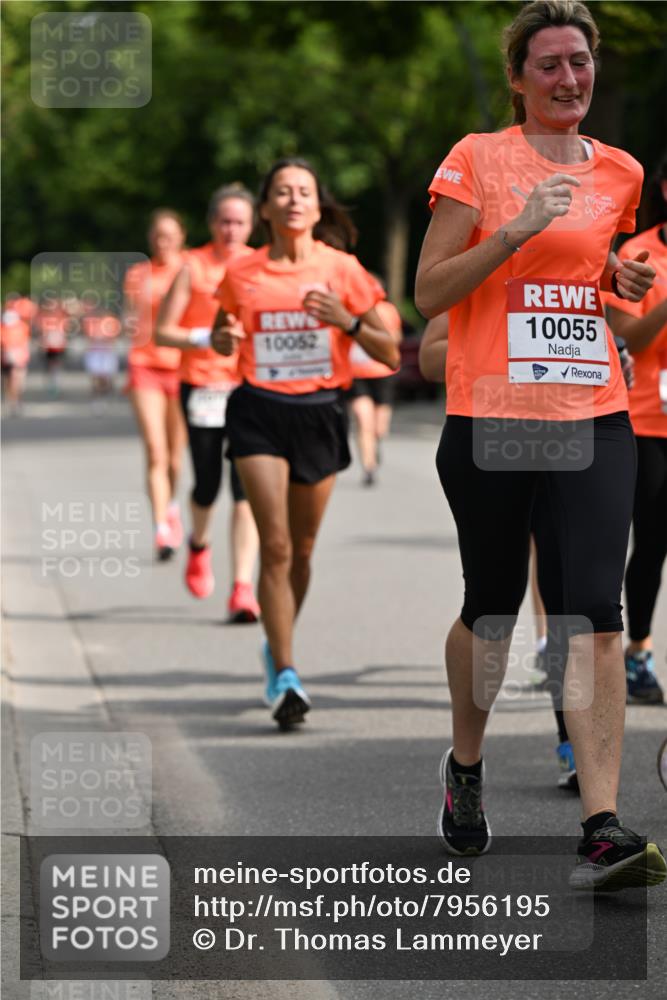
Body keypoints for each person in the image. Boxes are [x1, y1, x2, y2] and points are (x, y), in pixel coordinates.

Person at [415, 0, 665, 890]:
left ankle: (601, 824)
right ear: (518, 78)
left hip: (595, 414)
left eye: (580, 61)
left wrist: (618, 276)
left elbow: (596, 273)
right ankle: (466, 767)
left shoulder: (622, 172)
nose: (569, 79)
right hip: (492, 418)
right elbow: (428, 290)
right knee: (490, 605)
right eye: (549, 64)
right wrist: (513, 230)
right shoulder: (477, 159)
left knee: (597, 612)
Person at [211, 158, 400, 728]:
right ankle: (287, 672)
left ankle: (277, 636)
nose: (294, 200)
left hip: (319, 413)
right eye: (282, 192)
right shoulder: (242, 273)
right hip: (258, 413)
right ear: (265, 208)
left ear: (318, 209)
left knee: (303, 547)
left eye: (305, 192)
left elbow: (389, 352)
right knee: (274, 546)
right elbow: (226, 336)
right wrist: (222, 337)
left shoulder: (342, 269)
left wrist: (346, 320)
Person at [156, 185, 260, 622]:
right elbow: (163, 331)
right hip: (201, 385)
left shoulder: (261, 265)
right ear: (212, 223)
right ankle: (198, 544)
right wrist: (206, 338)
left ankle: (241, 588)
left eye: (239, 222)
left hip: (249, 387)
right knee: (207, 485)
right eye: (224, 221)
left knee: (246, 488)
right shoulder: (192, 267)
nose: (231, 229)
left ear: (252, 224)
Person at [607, 157, 667, 705]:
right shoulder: (637, 252)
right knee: (652, 541)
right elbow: (631, 337)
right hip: (650, 419)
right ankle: (640, 652)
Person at [123, 210, 188, 561]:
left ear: (181, 236)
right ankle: (161, 527)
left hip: (182, 368)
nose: (162, 241)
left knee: (176, 459)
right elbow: (133, 318)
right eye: (157, 235)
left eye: (169, 234)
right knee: (155, 450)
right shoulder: (138, 274)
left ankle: (172, 504)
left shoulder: (191, 269)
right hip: (144, 365)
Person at [346, 283, 402, 486]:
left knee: (379, 427)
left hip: (383, 372)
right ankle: (368, 467)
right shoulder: (349, 311)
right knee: (363, 418)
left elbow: (396, 338)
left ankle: (375, 443)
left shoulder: (388, 311)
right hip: (356, 373)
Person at [1, 299, 31, 414]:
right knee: (8, 381)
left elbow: (25, 343)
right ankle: (11, 401)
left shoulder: (22, 327)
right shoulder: (2, 328)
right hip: (5, 359)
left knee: (17, 381)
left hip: (19, 359)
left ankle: (16, 401)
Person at [35, 298, 69, 397]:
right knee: (49, 367)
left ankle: (57, 385)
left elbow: (65, 331)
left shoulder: (62, 317)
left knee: (57, 366)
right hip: (48, 347)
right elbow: (41, 333)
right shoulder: (43, 317)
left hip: (59, 347)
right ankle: (51, 385)